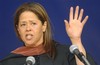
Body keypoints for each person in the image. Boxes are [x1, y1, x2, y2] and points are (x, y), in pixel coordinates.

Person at [0, 2, 96, 65]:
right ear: (18, 29)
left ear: (44, 26)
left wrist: (76, 39)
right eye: (23, 24)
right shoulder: (9, 61)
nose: (28, 28)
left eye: (33, 23)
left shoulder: (65, 53)